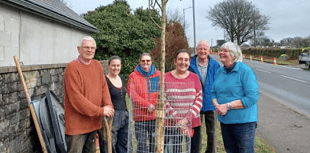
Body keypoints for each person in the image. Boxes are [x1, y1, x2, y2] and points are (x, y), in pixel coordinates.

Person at [64, 36, 114, 153]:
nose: (89, 50)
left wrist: (108, 105)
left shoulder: (97, 65)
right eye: (86, 47)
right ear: (78, 49)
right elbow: (76, 98)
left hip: (93, 123)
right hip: (77, 126)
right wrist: (100, 111)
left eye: (92, 48)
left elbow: (103, 87)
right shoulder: (72, 68)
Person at [211, 42, 259, 153]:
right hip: (225, 122)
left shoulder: (245, 71)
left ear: (234, 55)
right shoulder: (220, 71)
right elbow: (213, 92)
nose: (221, 53)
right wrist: (217, 106)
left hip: (244, 123)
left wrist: (228, 106)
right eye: (221, 50)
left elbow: (252, 98)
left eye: (225, 51)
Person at [164, 50, 203, 153]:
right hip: (172, 124)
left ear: (189, 62)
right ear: (175, 61)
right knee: (175, 150)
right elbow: (163, 100)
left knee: (194, 150)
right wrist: (178, 121)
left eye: (186, 60)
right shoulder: (165, 77)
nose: (183, 62)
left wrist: (186, 120)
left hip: (193, 123)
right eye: (180, 59)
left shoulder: (195, 78)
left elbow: (199, 100)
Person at [188, 40, 220, 153]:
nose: (202, 51)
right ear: (197, 50)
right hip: (195, 104)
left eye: (205, 49)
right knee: (195, 132)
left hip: (211, 103)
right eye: (200, 48)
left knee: (212, 132)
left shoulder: (215, 65)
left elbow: (219, 83)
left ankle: (211, 151)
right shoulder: (190, 64)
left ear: (209, 51)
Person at [127, 53, 161, 153]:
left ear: (151, 62)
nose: (145, 63)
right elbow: (132, 94)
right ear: (140, 62)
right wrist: (147, 105)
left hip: (154, 116)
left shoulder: (157, 74)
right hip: (140, 117)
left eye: (148, 61)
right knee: (141, 144)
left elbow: (159, 92)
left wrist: (153, 105)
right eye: (143, 61)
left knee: (153, 143)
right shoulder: (133, 76)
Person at [98, 56, 129, 153]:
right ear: (108, 66)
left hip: (124, 114)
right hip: (112, 116)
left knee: (123, 142)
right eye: (113, 65)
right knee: (110, 143)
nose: (116, 68)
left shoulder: (122, 78)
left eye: (118, 65)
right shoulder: (104, 80)